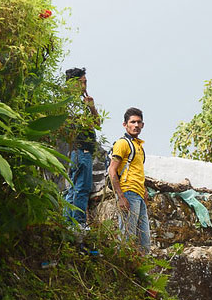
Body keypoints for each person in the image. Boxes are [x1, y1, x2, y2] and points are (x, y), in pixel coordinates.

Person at [108, 107, 150, 253]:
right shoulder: (122, 143)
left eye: (139, 122)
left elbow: (136, 171)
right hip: (128, 193)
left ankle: (141, 274)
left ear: (143, 125)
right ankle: (123, 270)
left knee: (144, 242)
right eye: (132, 122)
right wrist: (120, 197)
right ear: (125, 125)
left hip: (139, 196)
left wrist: (144, 189)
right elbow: (112, 170)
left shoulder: (139, 146)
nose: (136, 125)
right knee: (127, 238)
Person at [63, 67, 100, 227]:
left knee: (73, 189)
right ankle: (78, 224)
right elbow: (92, 125)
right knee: (81, 188)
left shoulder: (76, 102)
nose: (85, 85)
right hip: (80, 151)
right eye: (82, 82)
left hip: (78, 152)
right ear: (73, 84)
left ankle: (68, 224)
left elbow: (97, 124)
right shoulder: (73, 104)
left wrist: (91, 106)